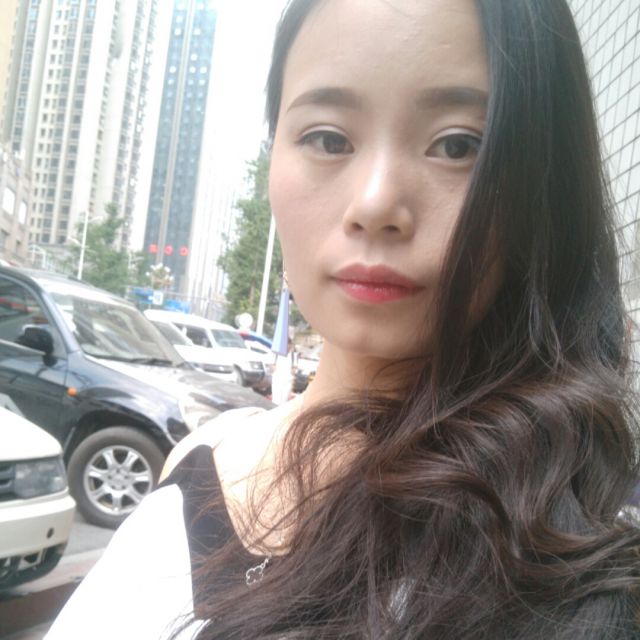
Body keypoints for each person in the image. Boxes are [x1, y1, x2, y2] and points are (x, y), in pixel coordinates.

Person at [46, 0, 640, 638]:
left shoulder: (573, 543)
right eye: (328, 139)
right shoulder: (200, 458)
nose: (376, 203)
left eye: (458, 145)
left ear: (544, 189)